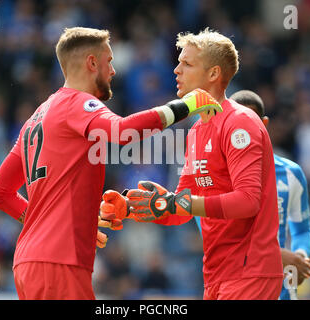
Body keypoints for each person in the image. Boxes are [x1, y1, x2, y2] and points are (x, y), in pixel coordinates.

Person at [0, 27, 220, 300]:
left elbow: (0, 193)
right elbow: (122, 133)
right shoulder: (77, 103)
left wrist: (57, 224)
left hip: (29, 261)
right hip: (58, 262)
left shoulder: (36, 118)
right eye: (109, 62)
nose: (113, 71)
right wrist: (184, 106)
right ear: (92, 63)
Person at [100, 29, 284, 300]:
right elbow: (183, 209)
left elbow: (247, 201)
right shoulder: (197, 129)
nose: (176, 70)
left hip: (250, 271)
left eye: (186, 64)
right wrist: (131, 208)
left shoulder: (239, 122)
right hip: (216, 275)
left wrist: (179, 202)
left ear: (213, 74)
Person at [227, 90, 310, 300]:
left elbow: (303, 231)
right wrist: (279, 256)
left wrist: (299, 258)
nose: (244, 132)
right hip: (234, 288)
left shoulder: (290, 173)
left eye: (250, 122)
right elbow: (216, 242)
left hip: (281, 290)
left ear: (263, 124)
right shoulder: (214, 176)